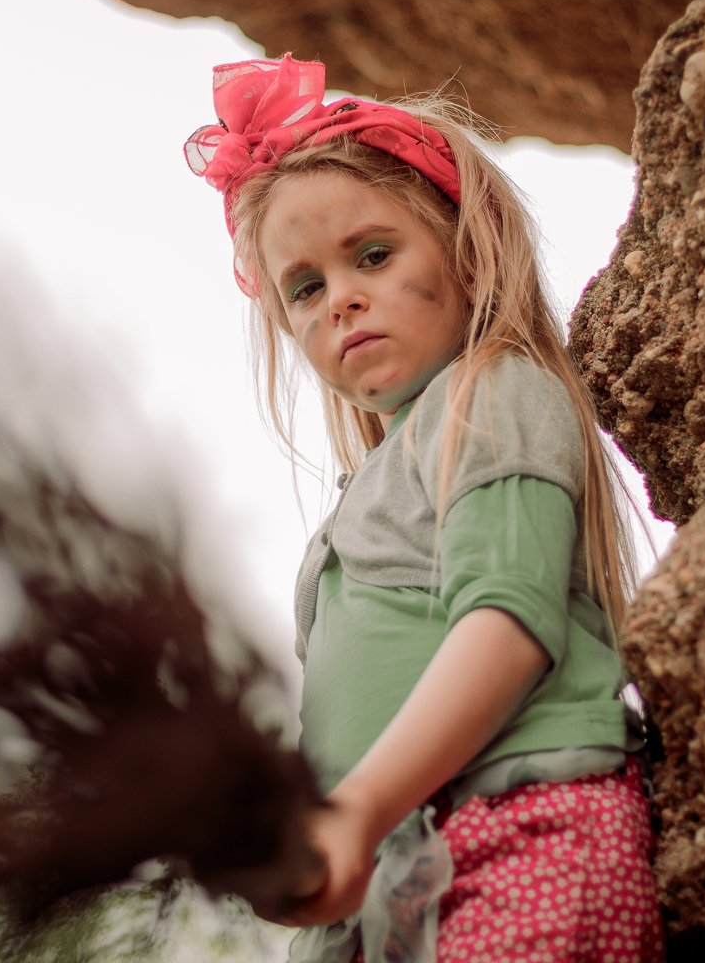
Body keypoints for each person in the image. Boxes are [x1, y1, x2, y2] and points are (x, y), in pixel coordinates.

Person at [186, 54, 664, 962]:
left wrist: (357, 811)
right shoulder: (357, 499)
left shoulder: (492, 392)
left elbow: (509, 623)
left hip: (516, 832)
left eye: (373, 255)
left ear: (471, 254)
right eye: (305, 287)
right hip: (390, 886)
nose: (342, 299)